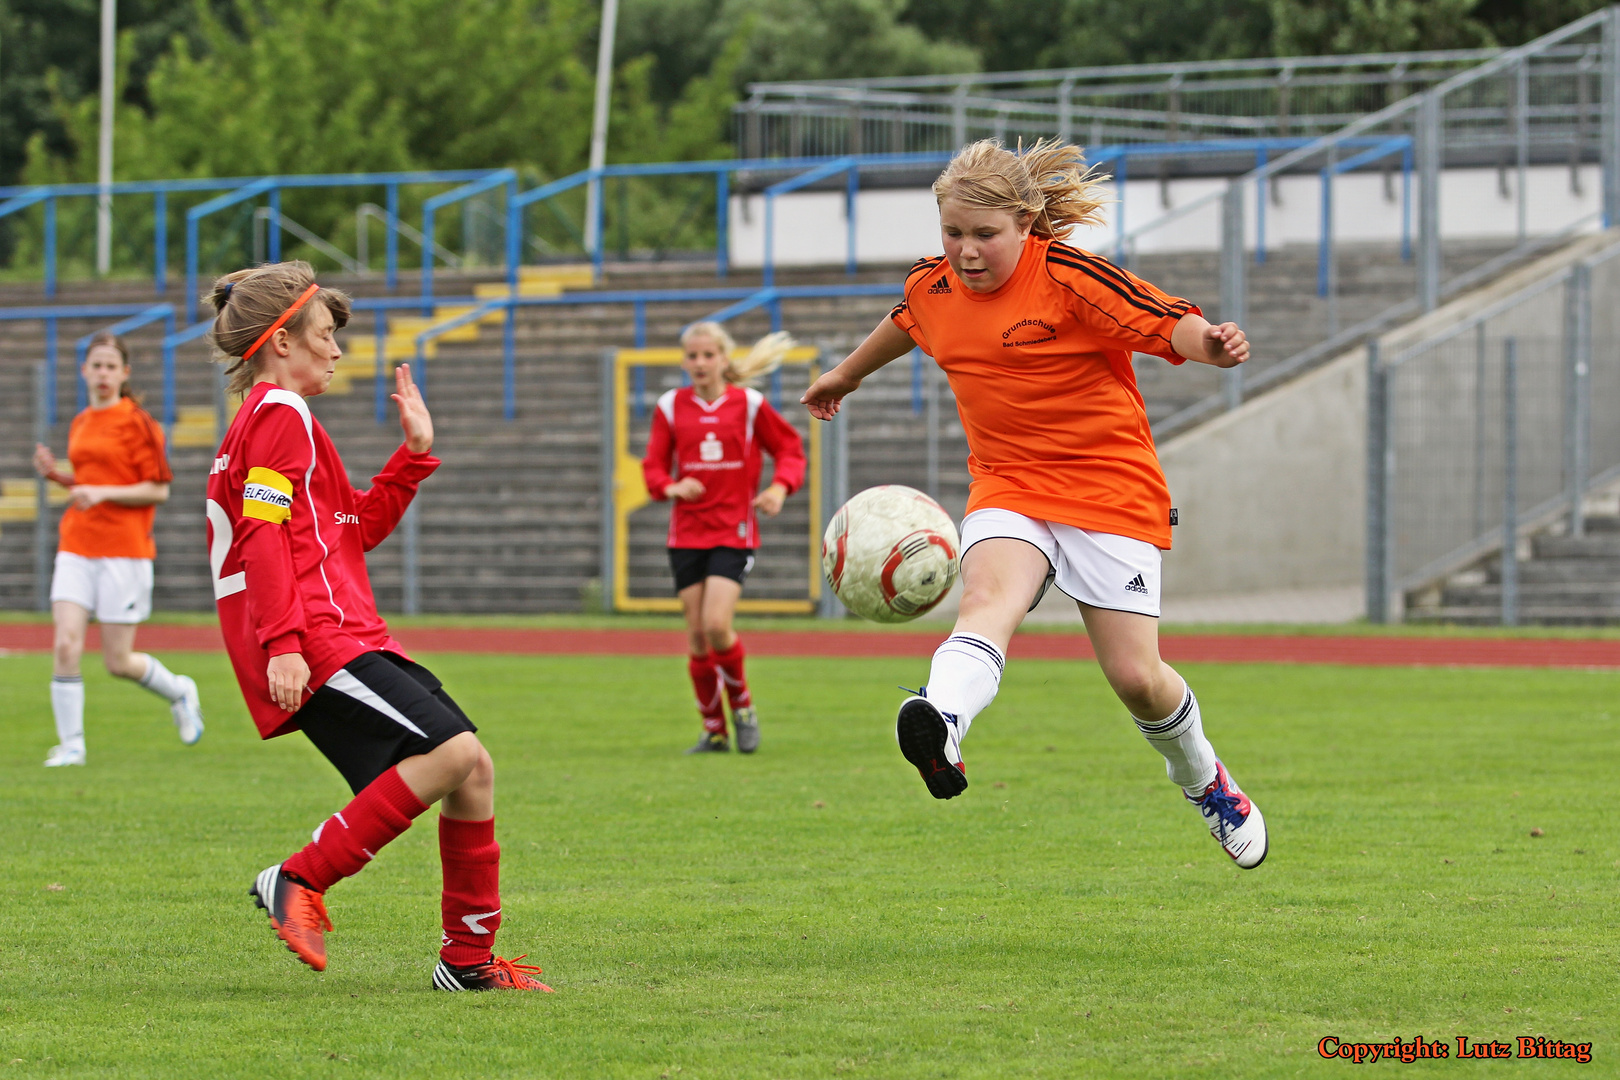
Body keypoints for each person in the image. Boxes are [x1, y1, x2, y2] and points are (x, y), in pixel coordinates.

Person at [801, 139, 1268, 869]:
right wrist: (843, 376)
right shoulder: (935, 286)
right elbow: (906, 321)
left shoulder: (1070, 278)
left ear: (1025, 222)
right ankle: (942, 722)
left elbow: (1162, 321)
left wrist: (1211, 343)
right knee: (986, 600)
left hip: (1108, 489)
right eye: (953, 233)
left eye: (984, 235)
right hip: (1009, 483)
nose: (966, 251)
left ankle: (1204, 780)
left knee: (1137, 681)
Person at [204, 261, 550, 990]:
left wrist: (414, 457)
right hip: (318, 634)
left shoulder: (284, 422)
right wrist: (285, 645)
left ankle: (467, 963)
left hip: (342, 631)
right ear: (279, 341)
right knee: (455, 752)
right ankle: (299, 878)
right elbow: (263, 536)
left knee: (473, 769)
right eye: (324, 335)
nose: (336, 350)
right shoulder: (277, 416)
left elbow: (351, 528)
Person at [32, 332, 204, 767]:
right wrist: (58, 477)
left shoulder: (139, 423)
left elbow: (158, 490)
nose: (103, 373)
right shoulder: (80, 422)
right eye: (97, 365)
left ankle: (180, 690)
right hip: (76, 544)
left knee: (118, 661)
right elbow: (89, 485)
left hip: (124, 551)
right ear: (84, 371)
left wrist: (101, 492)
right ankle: (71, 745)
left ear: (124, 373)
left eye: (112, 366)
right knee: (67, 644)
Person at [642, 323, 806, 754]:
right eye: (692, 356)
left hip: (733, 531)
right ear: (683, 361)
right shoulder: (671, 407)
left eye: (708, 355)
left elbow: (789, 449)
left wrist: (778, 488)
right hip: (686, 534)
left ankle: (744, 709)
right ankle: (714, 730)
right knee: (697, 637)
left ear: (723, 358)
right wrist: (671, 487)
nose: (699, 363)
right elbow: (654, 467)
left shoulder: (749, 405)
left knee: (717, 625)